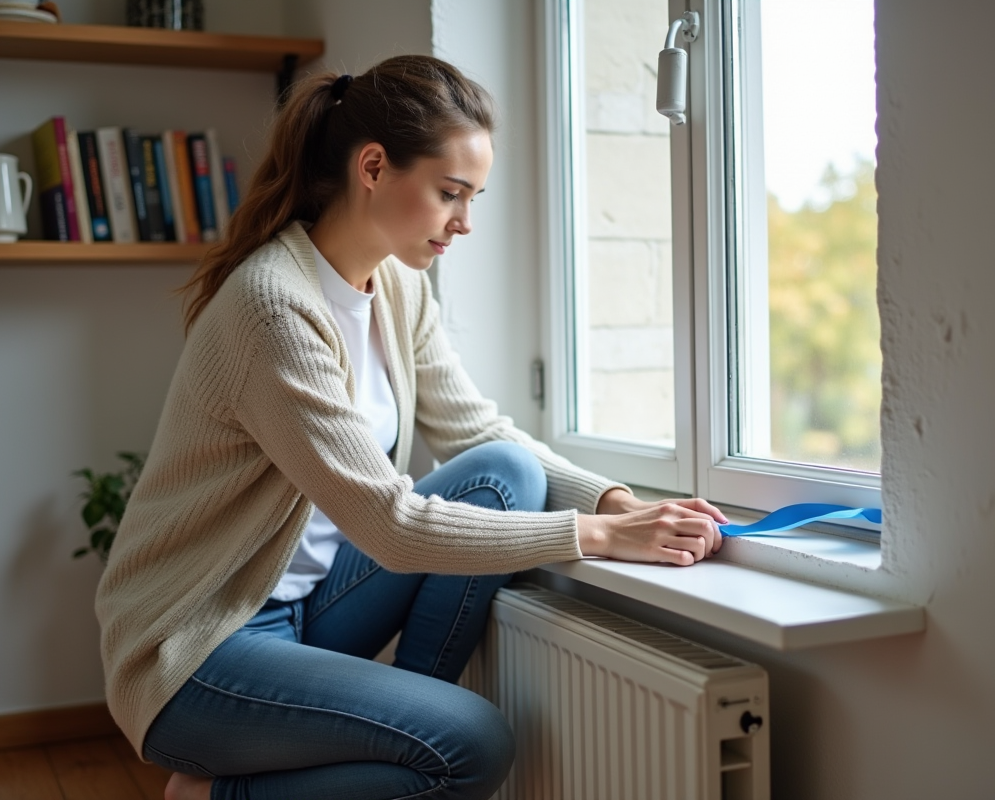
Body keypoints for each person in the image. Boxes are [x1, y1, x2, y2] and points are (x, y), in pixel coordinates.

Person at [95, 55, 727, 800]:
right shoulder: (272, 308)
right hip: (198, 649)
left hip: (306, 607)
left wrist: (613, 502)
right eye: (449, 194)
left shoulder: (397, 284)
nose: (464, 222)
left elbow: (476, 432)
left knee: (506, 474)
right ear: (373, 166)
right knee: (472, 744)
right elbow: (389, 524)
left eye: (474, 197)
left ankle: (396, 734)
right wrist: (595, 538)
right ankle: (213, 794)